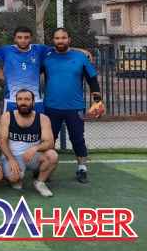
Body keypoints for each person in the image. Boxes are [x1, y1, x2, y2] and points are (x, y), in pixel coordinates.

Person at [42, 27, 103, 183]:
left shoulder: (80, 57)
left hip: (75, 107)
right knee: (49, 140)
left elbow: (92, 80)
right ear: (53, 40)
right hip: (51, 107)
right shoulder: (46, 57)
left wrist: (98, 101)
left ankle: (82, 169)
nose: (60, 41)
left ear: (69, 39)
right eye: (57, 38)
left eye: (63, 38)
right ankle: (46, 170)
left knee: (77, 139)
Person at [0, 89, 58, 197]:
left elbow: (50, 143)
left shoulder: (43, 119)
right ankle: (9, 174)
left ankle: (40, 182)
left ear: (33, 102)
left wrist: (35, 148)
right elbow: (2, 142)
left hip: (32, 156)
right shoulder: (7, 117)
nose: (23, 102)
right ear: (16, 101)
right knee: (15, 180)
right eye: (20, 99)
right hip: (13, 156)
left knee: (52, 155)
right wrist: (11, 159)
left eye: (27, 99)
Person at [0, 27, 50, 114]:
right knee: (9, 122)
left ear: (31, 38)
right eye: (19, 37)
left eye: (26, 37)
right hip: (12, 100)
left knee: (38, 122)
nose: (23, 40)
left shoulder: (39, 49)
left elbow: (57, 51)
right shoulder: (6, 50)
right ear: (15, 39)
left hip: (35, 100)